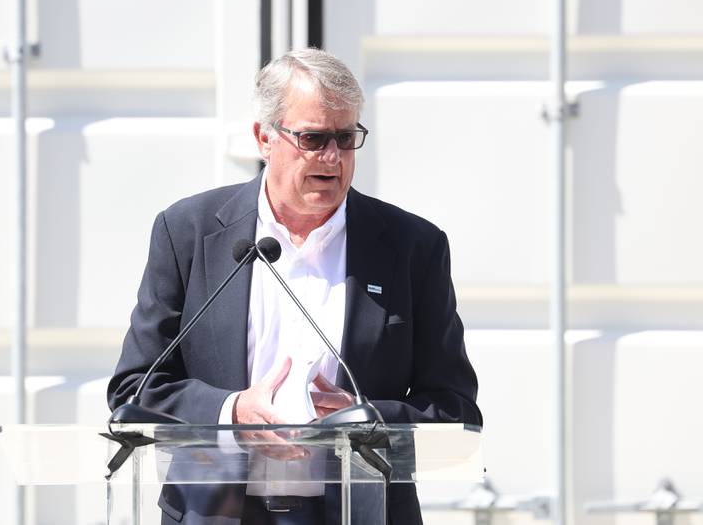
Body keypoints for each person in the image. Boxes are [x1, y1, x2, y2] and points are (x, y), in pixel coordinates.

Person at [108, 48, 482, 525]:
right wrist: (230, 412)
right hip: (217, 512)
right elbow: (134, 391)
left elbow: (456, 414)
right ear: (265, 138)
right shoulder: (189, 232)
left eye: (345, 138)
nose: (332, 157)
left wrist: (364, 422)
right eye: (312, 137)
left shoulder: (413, 247)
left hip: (358, 513)